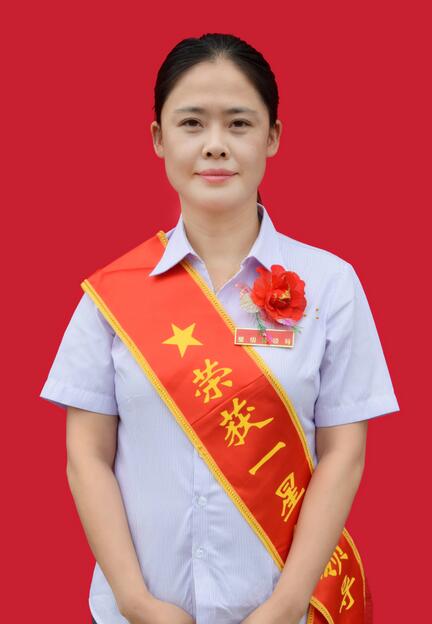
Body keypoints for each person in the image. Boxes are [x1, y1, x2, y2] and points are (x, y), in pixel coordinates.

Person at [39, 33, 400, 624]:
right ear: (158, 138)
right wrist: (136, 602)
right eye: (191, 123)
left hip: (287, 610)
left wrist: (285, 605)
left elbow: (344, 451)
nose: (215, 144)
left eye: (238, 123)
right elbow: (86, 455)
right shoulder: (110, 296)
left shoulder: (330, 284)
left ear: (272, 137)